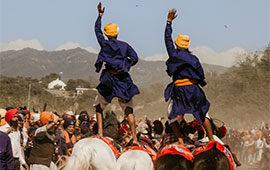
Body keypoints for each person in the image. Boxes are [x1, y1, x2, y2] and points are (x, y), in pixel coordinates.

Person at [164, 8, 214, 145]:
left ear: (176, 44)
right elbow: (201, 75)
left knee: (172, 117)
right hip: (193, 89)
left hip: (180, 91)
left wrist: (168, 23)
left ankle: (180, 141)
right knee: (203, 113)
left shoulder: (174, 55)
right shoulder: (194, 59)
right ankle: (211, 140)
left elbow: (167, 40)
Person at [94, 2, 140, 145]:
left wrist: (99, 16)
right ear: (117, 33)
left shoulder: (105, 44)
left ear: (107, 35)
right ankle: (135, 138)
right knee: (129, 110)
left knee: (98, 106)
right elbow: (135, 58)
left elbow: (97, 31)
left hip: (109, 78)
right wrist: (125, 66)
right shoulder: (125, 45)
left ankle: (100, 134)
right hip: (122, 79)